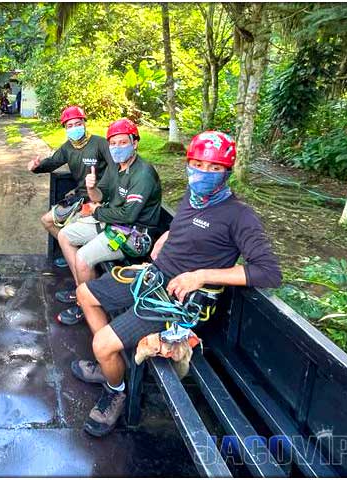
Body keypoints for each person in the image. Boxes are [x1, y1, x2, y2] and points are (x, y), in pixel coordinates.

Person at [71, 131, 282, 437]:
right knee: (84, 293)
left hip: (174, 298)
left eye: (214, 168)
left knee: (101, 343)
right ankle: (110, 363)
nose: (203, 174)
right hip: (154, 275)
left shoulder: (239, 216)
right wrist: (168, 237)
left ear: (227, 172)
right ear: (188, 164)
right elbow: (187, 227)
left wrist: (202, 275)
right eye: (198, 164)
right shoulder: (193, 195)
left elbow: (269, 272)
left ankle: (116, 388)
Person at [55, 119, 162, 326]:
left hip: (134, 235)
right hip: (112, 223)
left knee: (84, 258)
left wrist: (98, 212)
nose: (117, 148)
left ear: (135, 143)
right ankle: (82, 291)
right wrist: (92, 187)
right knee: (65, 236)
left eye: (123, 143)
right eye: (113, 143)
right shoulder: (115, 167)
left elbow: (128, 215)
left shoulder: (143, 173)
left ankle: (88, 305)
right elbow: (97, 197)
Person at [27, 105, 113, 266]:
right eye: (70, 126)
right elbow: (52, 162)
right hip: (80, 198)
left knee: (73, 228)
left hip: (100, 200)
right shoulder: (67, 147)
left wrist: (102, 198)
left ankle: (81, 262)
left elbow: (116, 169)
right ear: (65, 128)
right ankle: (73, 254)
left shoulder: (100, 144)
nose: (74, 128)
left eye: (77, 124)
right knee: (47, 221)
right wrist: (35, 167)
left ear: (84, 123)